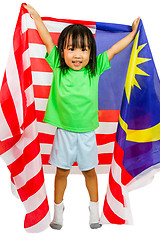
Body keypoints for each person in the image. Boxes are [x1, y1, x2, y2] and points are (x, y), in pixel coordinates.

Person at [24, 4, 140, 230]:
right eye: (71, 49)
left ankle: (94, 211)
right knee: (62, 172)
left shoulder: (94, 69)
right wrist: (37, 18)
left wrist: (133, 34)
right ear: (62, 52)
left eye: (84, 49)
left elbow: (115, 50)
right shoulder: (58, 66)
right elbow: (47, 39)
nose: (77, 55)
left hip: (87, 134)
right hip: (64, 133)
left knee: (89, 172)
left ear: (91, 53)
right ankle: (58, 212)